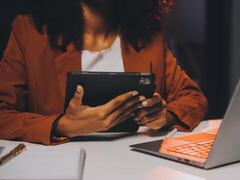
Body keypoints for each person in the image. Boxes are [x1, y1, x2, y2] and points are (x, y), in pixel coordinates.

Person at [0, 0, 207, 145]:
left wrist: (165, 116)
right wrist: (62, 125)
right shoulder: (28, 32)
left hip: (135, 172)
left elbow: (193, 98)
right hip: (60, 174)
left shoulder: (149, 33)